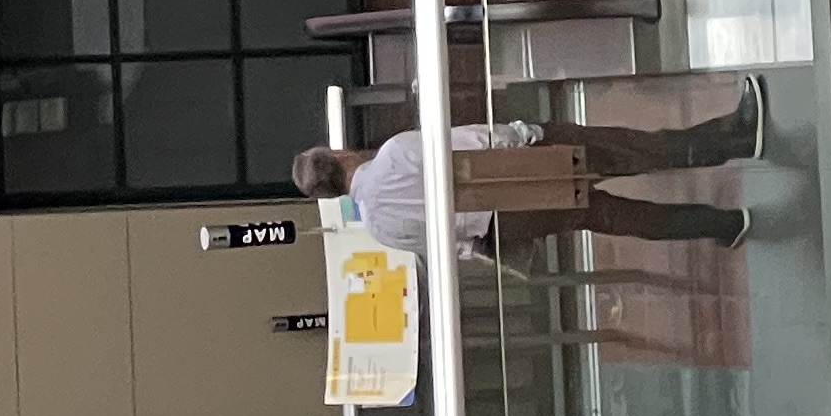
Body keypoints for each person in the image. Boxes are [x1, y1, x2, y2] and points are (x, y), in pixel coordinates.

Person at [290, 90, 767, 255]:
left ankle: (722, 225)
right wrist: (523, 133)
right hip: (518, 167)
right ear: (340, 156)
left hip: (507, 224)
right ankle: (734, 137)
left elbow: (452, 249)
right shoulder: (392, 155)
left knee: (613, 217)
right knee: (628, 150)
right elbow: (468, 143)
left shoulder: (379, 228)